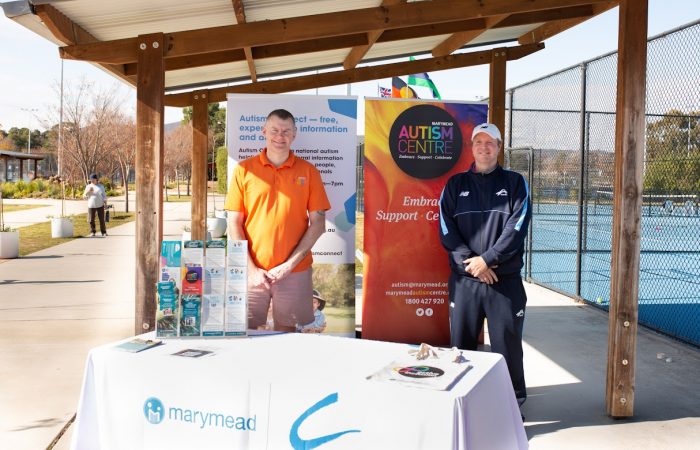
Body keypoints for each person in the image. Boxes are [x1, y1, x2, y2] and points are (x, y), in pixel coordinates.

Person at [438, 123, 531, 404]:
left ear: (499, 147)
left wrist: (488, 260)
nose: (484, 147)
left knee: (508, 348)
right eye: (478, 141)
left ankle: (511, 403)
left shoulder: (516, 183)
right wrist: (475, 265)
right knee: (461, 349)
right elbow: (446, 229)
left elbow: (517, 228)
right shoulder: (455, 185)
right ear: (472, 147)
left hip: (504, 283)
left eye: (490, 142)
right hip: (465, 282)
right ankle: (463, 402)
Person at [225, 109, 330, 332]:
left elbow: (318, 223)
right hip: (250, 271)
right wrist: (251, 268)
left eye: (286, 131)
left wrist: (288, 267)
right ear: (264, 132)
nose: (280, 136)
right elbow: (233, 222)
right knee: (244, 332)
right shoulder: (243, 170)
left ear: (294, 134)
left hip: (295, 271)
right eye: (274, 130)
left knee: (289, 336)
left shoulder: (309, 172)